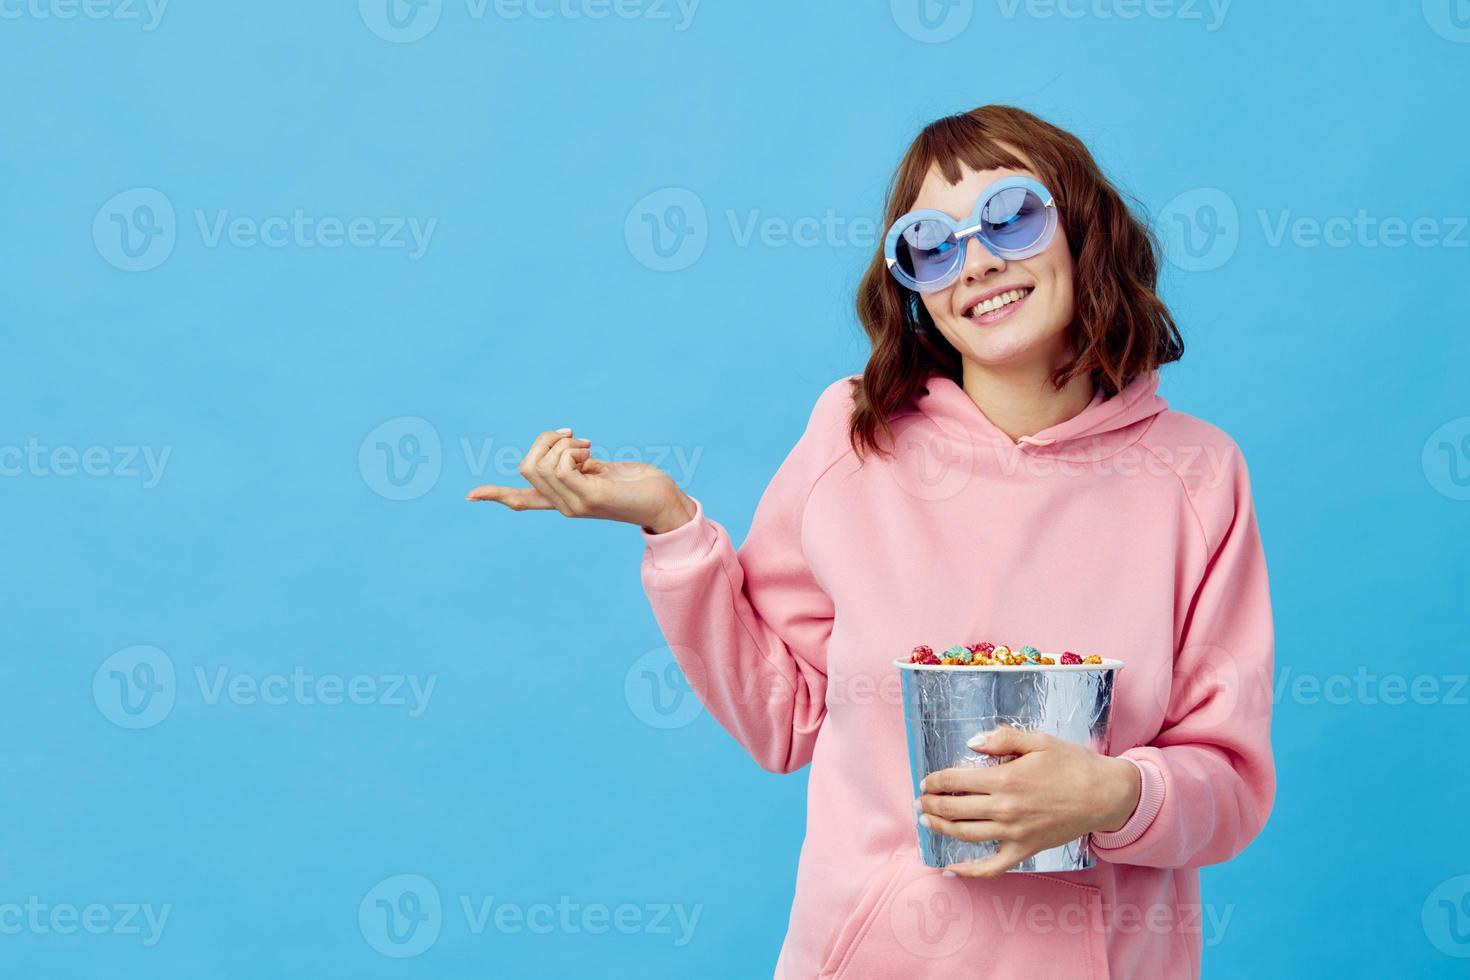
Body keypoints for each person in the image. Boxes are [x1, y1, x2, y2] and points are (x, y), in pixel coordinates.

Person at [469, 105, 1275, 979]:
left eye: (1012, 217)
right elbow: (786, 716)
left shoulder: (1196, 476)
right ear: (913, 284)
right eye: (933, 243)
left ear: (1084, 227)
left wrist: (1118, 794)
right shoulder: (856, 438)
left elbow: (1230, 784)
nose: (979, 262)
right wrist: (671, 527)